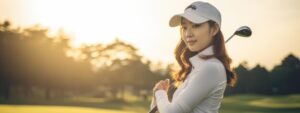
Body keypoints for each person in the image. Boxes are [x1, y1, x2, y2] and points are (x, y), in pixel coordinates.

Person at [150, 1, 237, 113]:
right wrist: (156, 97)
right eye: (184, 27)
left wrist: (160, 93)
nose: (188, 34)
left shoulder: (212, 68)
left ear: (214, 29)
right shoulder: (197, 67)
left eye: (196, 25)